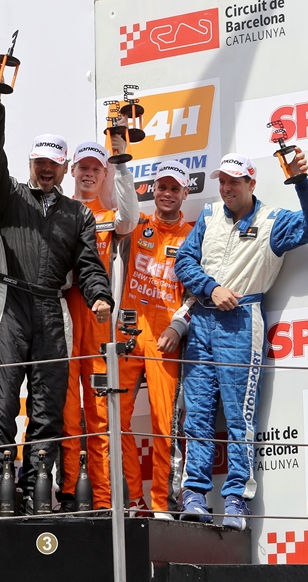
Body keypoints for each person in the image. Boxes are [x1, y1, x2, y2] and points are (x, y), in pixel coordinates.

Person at [174, 151, 308, 529]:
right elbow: (184, 262)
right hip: (201, 320)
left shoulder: (273, 221)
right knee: (197, 415)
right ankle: (194, 494)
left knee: (240, 417)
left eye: (234, 181)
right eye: (223, 181)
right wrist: (210, 289)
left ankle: (236, 500)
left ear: (251, 183)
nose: (226, 188)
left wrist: (301, 181)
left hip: (242, 321)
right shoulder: (210, 215)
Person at [0, 128, 114, 516]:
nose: (46, 169)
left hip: (52, 308)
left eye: (53, 163)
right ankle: (1, 490)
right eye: (40, 162)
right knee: (1, 403)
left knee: (48, 408)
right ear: (30, 163)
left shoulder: (78, 213)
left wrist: (99, 295)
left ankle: (35, 488)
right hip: (8, 302)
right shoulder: (7, 194)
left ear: (64, 167)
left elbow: (89, 264)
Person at [57, 135, 139, 510]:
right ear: (72, 170)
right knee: (66, 409)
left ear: (104, 174)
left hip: (99, 315)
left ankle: (104, 498)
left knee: (100, 410)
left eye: (96, 169)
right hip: (62, 312)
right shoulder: (58, 211)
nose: (89, 174)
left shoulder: (109, 218)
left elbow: (129, 218)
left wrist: (121, 166)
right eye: (83, 168)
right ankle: (69, 491)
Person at [114, 161, 194, 519]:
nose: (167, 194)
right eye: (162, 187)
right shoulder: (137, 225)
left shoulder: (193, 235)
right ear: (153, 190)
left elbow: (196, 293)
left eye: (174, 188)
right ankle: (133, 498)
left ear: (185, 192)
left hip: (166, 338)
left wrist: (179, 325)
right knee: (115, 418)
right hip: (128, 333)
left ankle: (163, 503)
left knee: (166, 425)